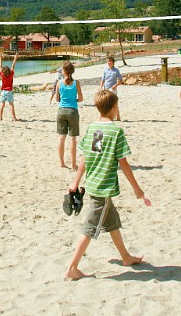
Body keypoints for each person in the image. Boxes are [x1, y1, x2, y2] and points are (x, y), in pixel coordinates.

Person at [64, 89, 150, 280]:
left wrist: (75, 181)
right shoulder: (116, 131)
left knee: (111, 222)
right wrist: (137, 189)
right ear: (114, 107)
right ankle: (72, 267)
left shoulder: (91, 128)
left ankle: (126, 257)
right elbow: (124, 162)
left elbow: (84, 158)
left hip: (94, 182)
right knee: (89, 227)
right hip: (103, 187)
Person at [56, 61, 83, 170]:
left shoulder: (59, 83)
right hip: (73, 110)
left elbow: (57, 99)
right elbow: (81, 98)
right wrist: (74, 100)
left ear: (64, 71)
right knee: (73, 139)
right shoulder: (76, 83)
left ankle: (62, 163)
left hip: (61, 110)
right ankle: (73, 164)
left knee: (62, 138)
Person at [0, 52, 19, 121]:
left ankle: (0, 117)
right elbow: (13, 66)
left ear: (3, 72)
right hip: (9, 91)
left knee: (2, 104)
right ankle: (14, 118)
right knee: (11, 105)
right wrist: (15, 59)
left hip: (3, 91)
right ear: (9, 71)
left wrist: (0, 58)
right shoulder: (11, 74)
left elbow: (0, 67)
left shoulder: (2, 75)